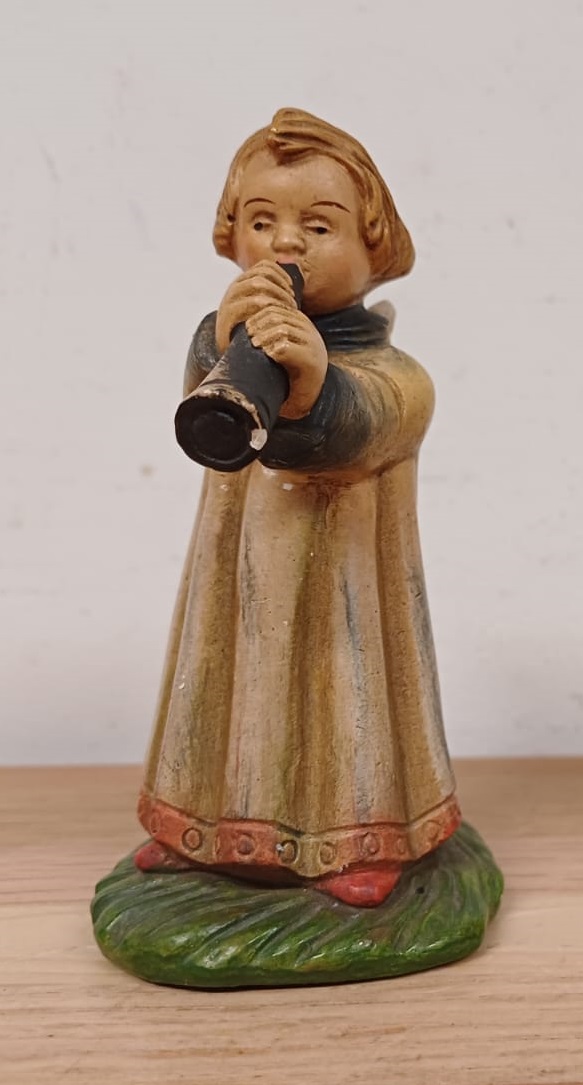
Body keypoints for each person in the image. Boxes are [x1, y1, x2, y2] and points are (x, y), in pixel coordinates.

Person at [134, 108, 459, 907]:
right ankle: (203, 830)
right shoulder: (226, 338)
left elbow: (363, 429)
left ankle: (355, 839)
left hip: (340, 590)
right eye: (260, 221)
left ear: (373, 247)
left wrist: (315, 384)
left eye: (318, 225)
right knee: (221, 681)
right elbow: (203, 408)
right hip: (237, 580)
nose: (284, 244)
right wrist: (223, 345)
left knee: (341, 698)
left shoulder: (394, 373)